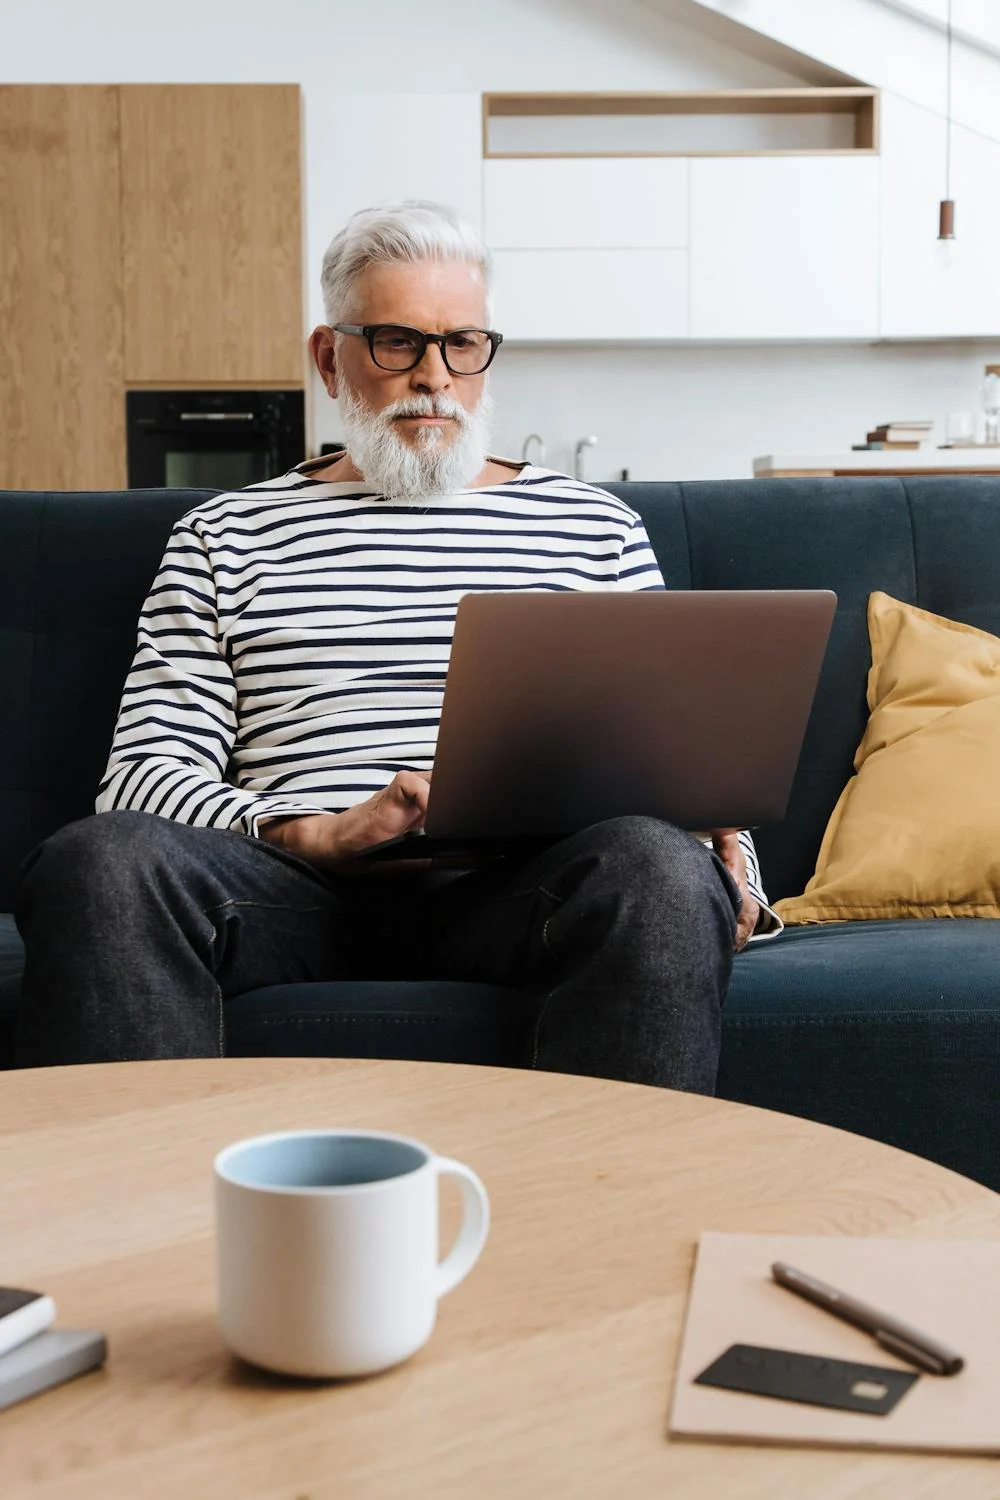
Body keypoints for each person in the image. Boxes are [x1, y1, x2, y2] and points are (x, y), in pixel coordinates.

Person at [14, 199, 779, 1084]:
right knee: (100, 861)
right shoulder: (226, 533)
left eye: (463, 343)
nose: (435, 377)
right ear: (327, 356)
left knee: (657, 863)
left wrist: (732, 878)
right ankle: (147, 1221)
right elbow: (142, 780)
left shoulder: (591, 526)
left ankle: (614, 1218)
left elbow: (683, 764)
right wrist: (314, 835)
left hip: (522, 893)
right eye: (396, 342)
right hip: (286, 892)